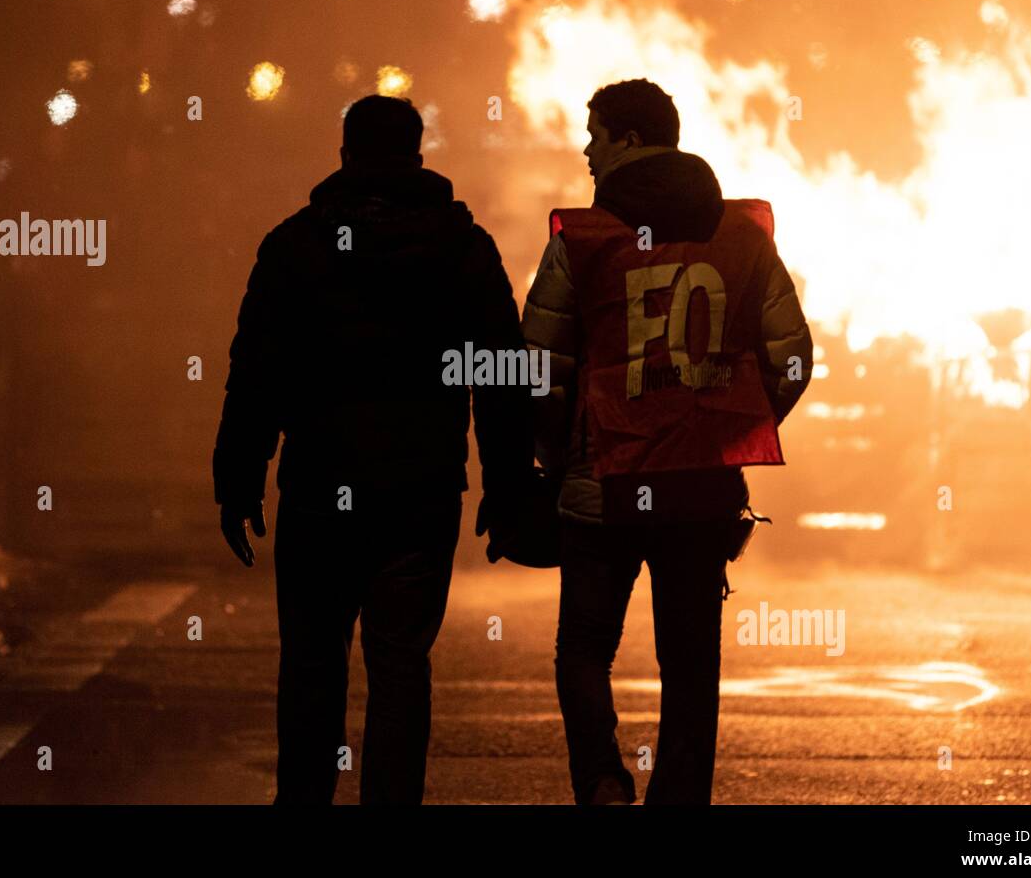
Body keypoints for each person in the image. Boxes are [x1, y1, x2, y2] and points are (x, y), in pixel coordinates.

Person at [212, 95, 532, 804]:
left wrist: (238, 476)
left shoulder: (295, 245)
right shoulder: (462, 248)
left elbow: (258, 371)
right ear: (419, 155)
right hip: (420, 491)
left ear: (345, 154)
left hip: (320, 487)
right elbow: (503, 373)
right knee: (400, 665)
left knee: (312, 666)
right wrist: (508, 485)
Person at [522, 78, 813, 804]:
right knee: (691, 663)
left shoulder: (581, 242)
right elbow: (792, 354)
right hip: (699, 487)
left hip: (602, 484)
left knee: (584, 647)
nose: (587, 150)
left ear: (625, 138)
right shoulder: (743, 238)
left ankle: (601, 780)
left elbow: (539, 366)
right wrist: (733, 422)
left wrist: (556, 454)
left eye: (595, 134)